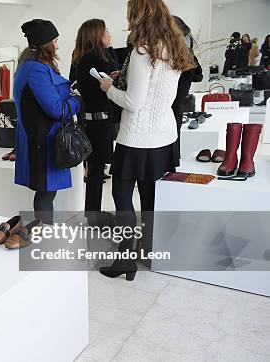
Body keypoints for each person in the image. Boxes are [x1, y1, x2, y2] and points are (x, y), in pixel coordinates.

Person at [98, 0, 194, 280]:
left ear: (138, 14)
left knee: (122, 197)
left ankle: (126, 259)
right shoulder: (174, 46)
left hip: (137, 137)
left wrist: (108, 88)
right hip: (163, 136)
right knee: (150, 198)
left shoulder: (143, 51)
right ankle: (149, 249)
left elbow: (133, 101)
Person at [14, 19, 81, 225]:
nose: (58, 45)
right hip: (42, 141)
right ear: (47, 43)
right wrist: (76, 99)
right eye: (56, 40)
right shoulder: (36, 69)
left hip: (42, 138)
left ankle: (43, 232)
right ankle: (43, 234)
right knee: (45, 193)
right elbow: (55, 109)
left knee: (46, 193)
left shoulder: (32, 66)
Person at [71, 19, 119, 225]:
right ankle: (94, 216)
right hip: (102, 122)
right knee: (100, 169)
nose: (109, 34)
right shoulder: (98, 59)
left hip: (92, 122)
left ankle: (93, 214)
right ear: (97, 35)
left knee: (96, 170)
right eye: (106, 31)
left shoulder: (80, 59)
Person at [171, 16, 203, 163]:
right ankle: (171, 164)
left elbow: (198, 76)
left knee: (172, 133)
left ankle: (171, 165)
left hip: (176, 97)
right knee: (172, 132)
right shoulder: (182, 46)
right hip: (175, 97)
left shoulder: (183, 48)